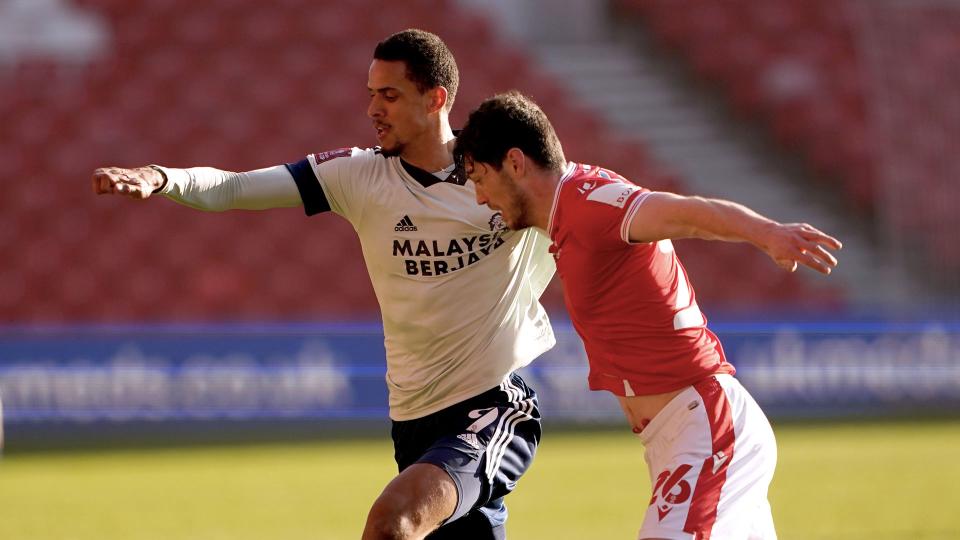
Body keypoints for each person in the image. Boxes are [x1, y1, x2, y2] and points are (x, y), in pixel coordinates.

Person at [91, 31, 556, 540]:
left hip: (491, 406)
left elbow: (595, 208)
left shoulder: (497, 176)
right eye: (371, 93)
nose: (373, 109)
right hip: (412, 419)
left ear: (436, 99)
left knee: (392, 522)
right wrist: (161, 177)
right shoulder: (357, 176)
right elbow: (235, 187)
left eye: (390, 95)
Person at [454, 90, 843, 539]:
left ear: (516, 163)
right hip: (681, 437)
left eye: (480, 177)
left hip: (707, 429)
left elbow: (686, 214)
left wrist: (768, 233)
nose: (480, 197)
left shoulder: (588, 202)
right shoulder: (568, 213)